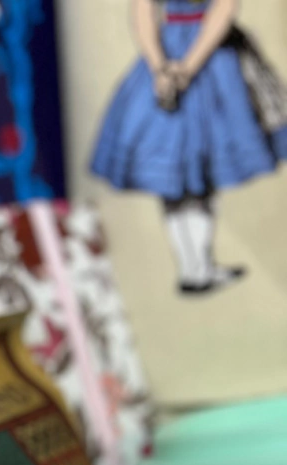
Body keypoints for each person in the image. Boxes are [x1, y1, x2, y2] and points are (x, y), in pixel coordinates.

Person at [92, 0, 287, 294]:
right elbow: (144, 11)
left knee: (196, 174)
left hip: (208, 54)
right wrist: (162, 68)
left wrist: (175, 69)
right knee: (182, 175)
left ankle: (197, 268)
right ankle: (194, 269)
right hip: (180, 56)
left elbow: (223, 11)